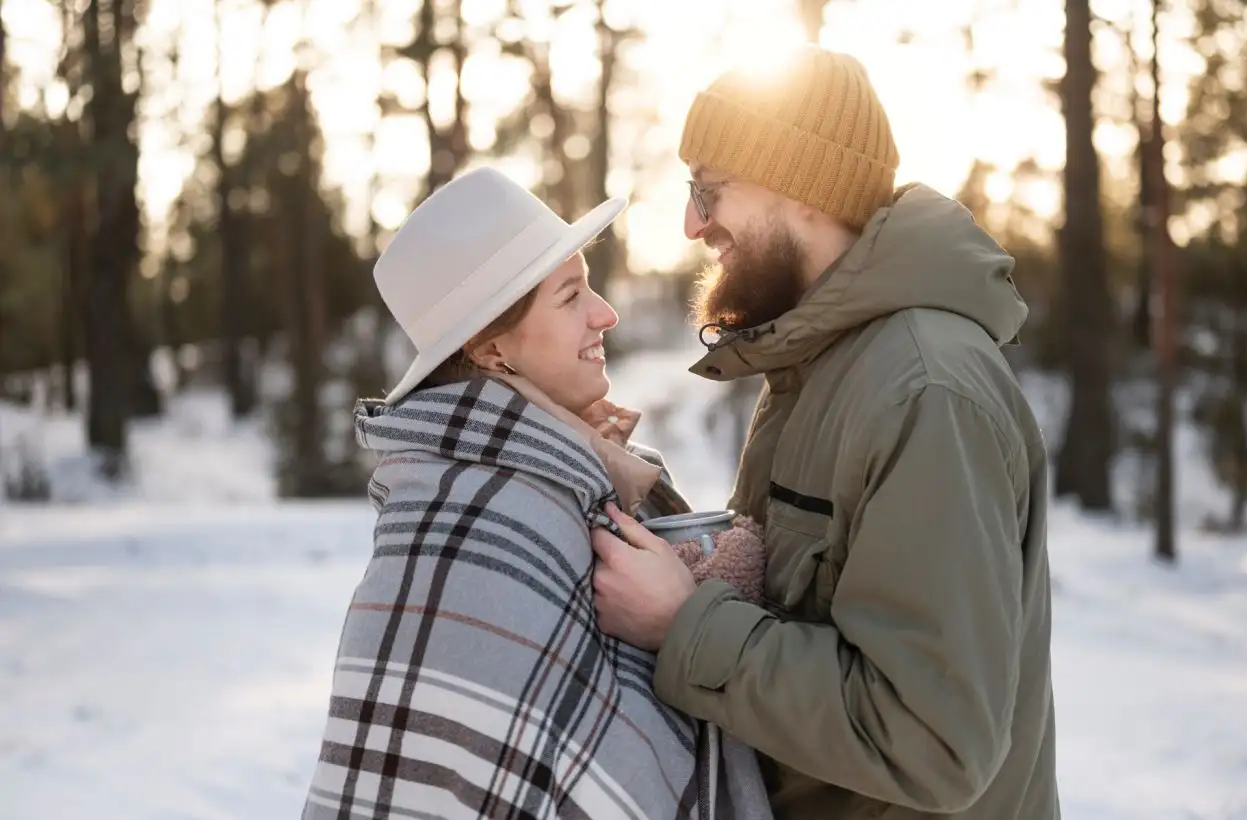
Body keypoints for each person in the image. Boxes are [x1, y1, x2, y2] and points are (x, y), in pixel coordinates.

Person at [590, 46, 1061, 820]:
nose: (691, 224)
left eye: (709, 189)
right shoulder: (822, 367)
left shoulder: (923, 392)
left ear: (802, 185)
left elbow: (932, 741)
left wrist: (685, 625)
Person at [300, 167, 771, 820]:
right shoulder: (474, 526)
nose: (605, 314)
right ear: (491, 350)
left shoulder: (582, 481)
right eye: (571, 295)